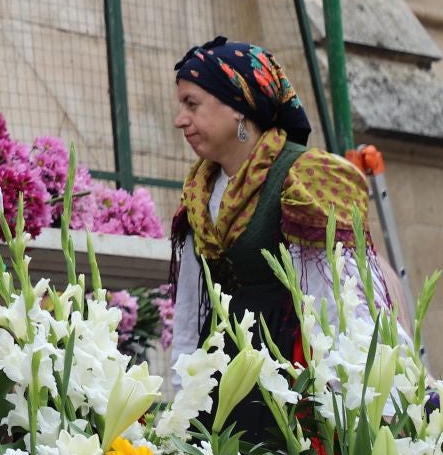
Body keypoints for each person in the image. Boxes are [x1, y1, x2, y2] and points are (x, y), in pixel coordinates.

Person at [169, 36, 395, 381]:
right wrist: (185, 387)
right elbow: (189, 309)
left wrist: (353, 396)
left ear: (239, 106)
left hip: (291, 376)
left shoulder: (304, 177)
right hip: (222, 381)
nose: (180, 120)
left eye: (192, 104)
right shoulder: (198, 193)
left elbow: (339, 302)